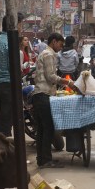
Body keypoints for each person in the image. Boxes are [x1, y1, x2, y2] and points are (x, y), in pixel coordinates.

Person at [32, 32, 78, 167]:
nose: (61, 46)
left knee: (42, 129)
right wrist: (68, 82)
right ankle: (46, 160)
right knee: (48, 128)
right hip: (43, 94)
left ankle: (42, 159)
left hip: (41, 94)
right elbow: (51, 77)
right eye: (60, 43)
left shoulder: (47, 54)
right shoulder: (49, 54)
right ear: (54, 41)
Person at [0, 13, 24, 136]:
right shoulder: (11, 43)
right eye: (20, 24)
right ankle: (5, 150)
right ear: (14, 25)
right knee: (6, 123)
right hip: (8, 86)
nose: (21, 27)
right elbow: (15, 69)